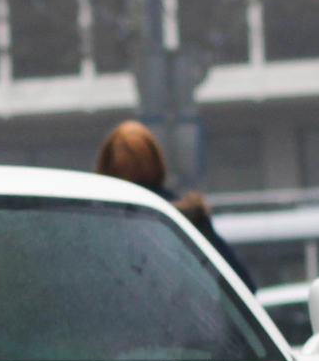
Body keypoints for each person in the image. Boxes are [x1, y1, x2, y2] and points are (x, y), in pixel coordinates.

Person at [92, 120, 255, 288]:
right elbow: (242, 285)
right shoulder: (186, 218)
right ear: (157, 162)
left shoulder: (91, 222)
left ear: (104, 168)